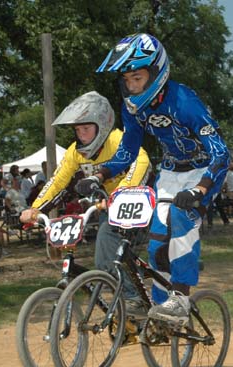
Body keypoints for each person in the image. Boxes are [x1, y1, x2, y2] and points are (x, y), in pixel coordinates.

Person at [78, 33, 231, 326]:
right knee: (158, 240)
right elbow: (127, 152)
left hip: (203, 170)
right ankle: (160, 309)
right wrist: (99, 174)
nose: (132, 86)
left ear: (157, 71)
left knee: (181, 219)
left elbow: (221, 153)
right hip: (171, 172)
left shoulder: (185, 101)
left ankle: (181, 299)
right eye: (127, 80)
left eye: (137, 78)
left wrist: (200, 189)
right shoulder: (133, 108)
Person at [19, 91, 151, 316]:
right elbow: (58, 181)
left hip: (140, 204)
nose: (81, 134)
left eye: (86, 128)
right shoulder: (75, 152)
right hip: (109, 210)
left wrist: (120, 195)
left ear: (102, 124)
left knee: (106, 248)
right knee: (105, 261)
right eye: (78, 130)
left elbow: (142, 162)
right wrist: (35, 208)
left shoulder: (118, 140)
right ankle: (126, 310)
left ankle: (134, 299)